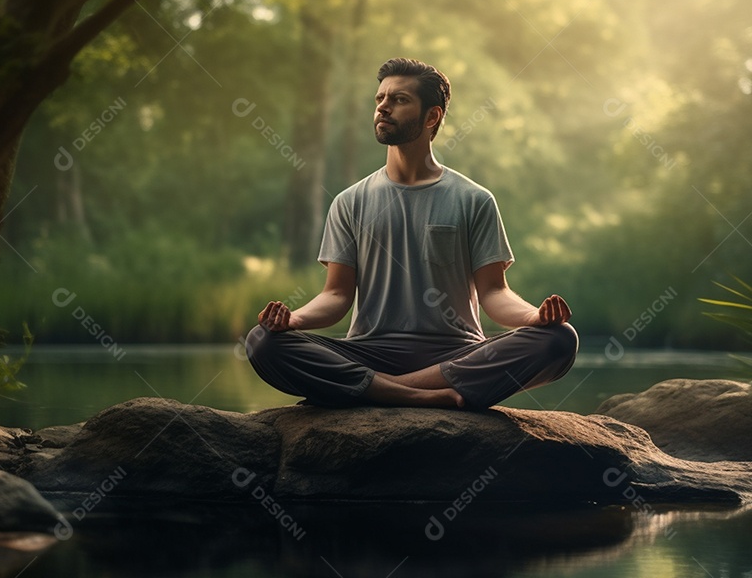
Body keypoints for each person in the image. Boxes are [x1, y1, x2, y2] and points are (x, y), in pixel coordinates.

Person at [245, 57, 577, 409]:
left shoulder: (474, 200)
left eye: (399, 100)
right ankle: (421, 396)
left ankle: (376, 391)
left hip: (455, 354)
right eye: (380, 100)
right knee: (262, 342)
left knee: (558, 340)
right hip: (370, 352)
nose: (384, 108)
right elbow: (337, 296)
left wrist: (535, 317)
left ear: (431, 116)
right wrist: (293, 320)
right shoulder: (349, 202)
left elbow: (494, 292)